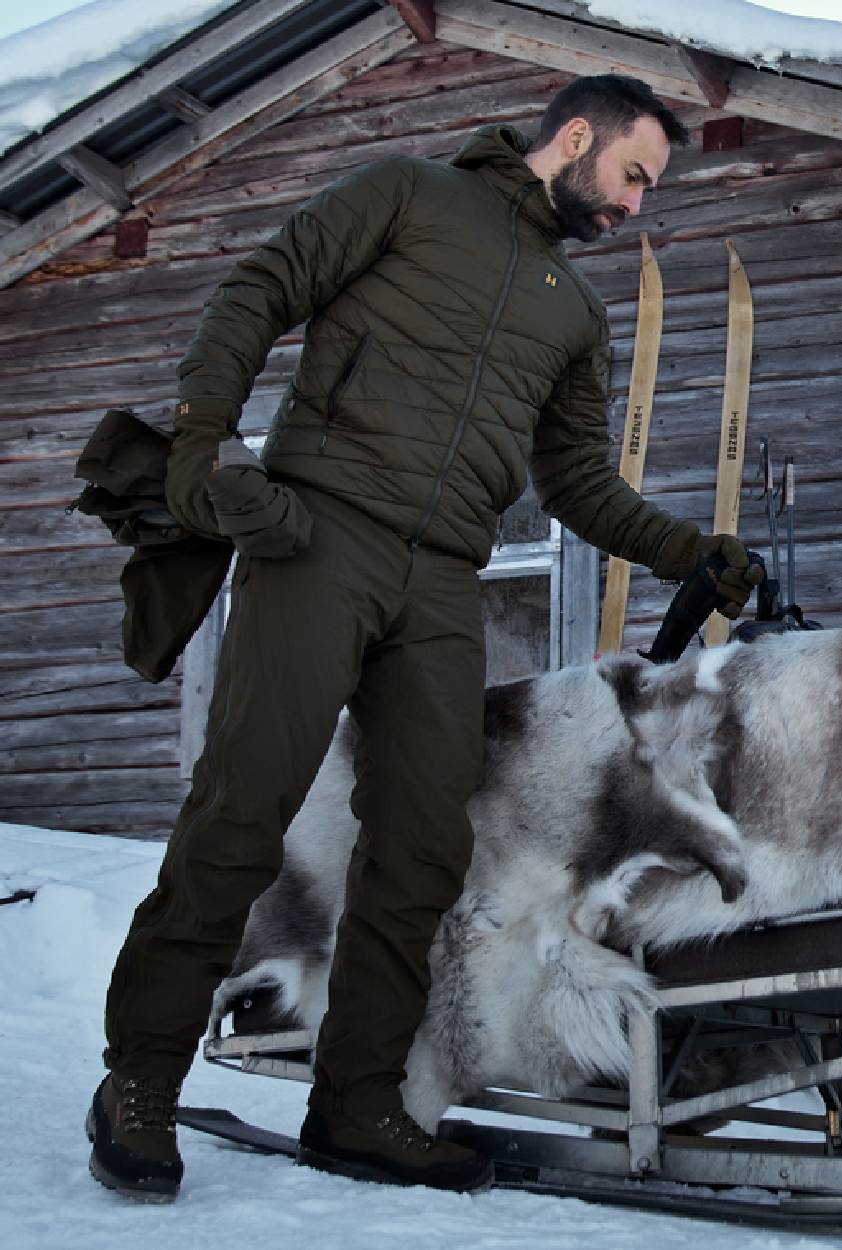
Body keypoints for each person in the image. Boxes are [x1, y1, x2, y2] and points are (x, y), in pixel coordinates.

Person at [86, 73, 762, 1203]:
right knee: (243, 811)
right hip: (317, 537)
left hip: (445, 580)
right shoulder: (405, 194)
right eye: (634, 175)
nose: (636, 203)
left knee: (420, 848)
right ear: (577, 136)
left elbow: (577, 481)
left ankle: (357, 1100)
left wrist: (685, 547)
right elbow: (260, 287)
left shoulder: (573, 309)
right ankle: (141, 1081)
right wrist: (206, 438)